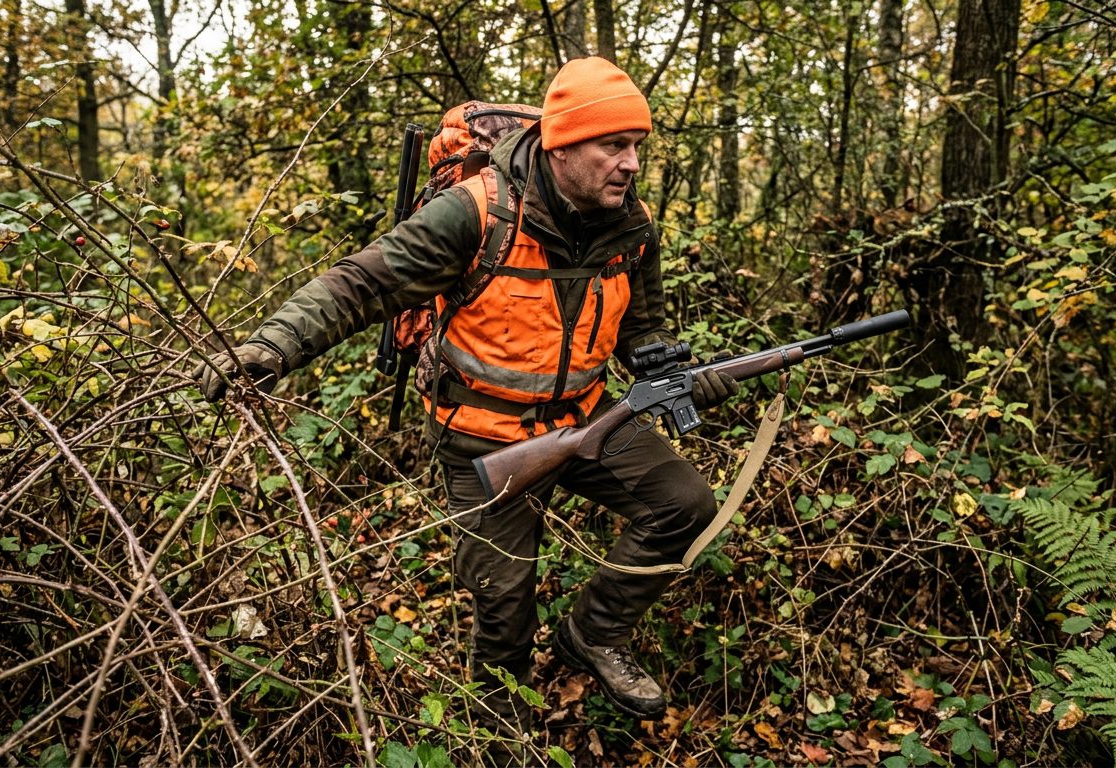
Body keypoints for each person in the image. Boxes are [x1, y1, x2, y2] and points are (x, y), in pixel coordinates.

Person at [195, 56, 738, 760]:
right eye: (614, 145)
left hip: (587, 416)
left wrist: (677, 374)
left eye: (637, 146)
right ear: (562, 145)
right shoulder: (475, 211)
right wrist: (271, 346)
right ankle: (500, 736)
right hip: (481, 437)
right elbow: (360, 284)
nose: (631, 163)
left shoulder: (630, 224)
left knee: (686, 504)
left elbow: (643, 331)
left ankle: (594, 633)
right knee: (504, 609)